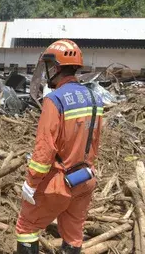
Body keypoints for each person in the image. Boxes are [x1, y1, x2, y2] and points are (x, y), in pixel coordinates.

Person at [15, 39, 104, 254]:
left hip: (59, 182)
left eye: (48, 68)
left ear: (55, 68)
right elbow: (95, 142)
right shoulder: (95, 98)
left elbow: (45, 149)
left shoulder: (54, 100)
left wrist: (31, 182)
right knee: (73, 233)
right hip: (85, 179)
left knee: (26, 228)